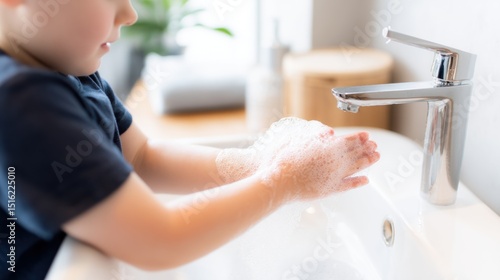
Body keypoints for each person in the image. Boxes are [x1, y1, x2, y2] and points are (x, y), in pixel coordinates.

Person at [0, 0, 380, 279]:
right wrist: (284, 180)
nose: (129, 14)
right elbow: (157, 240)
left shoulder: (64, 66)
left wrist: (253, 166)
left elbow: (142, 158)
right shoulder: (20, 102)